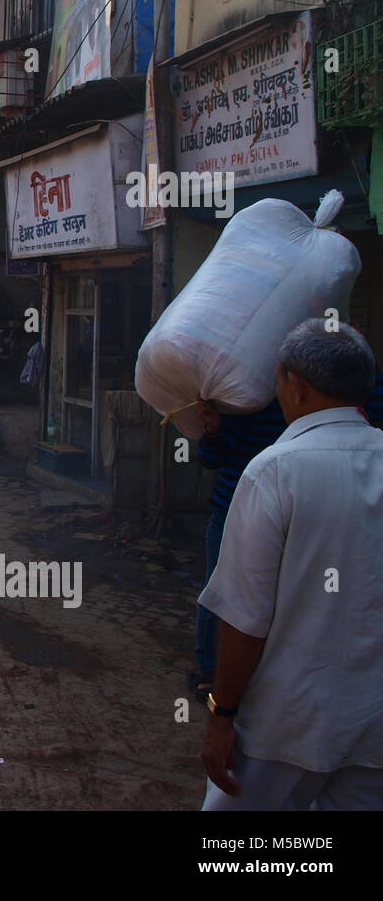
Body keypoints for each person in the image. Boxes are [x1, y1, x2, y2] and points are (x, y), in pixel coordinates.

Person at [199, 319, 383, 811]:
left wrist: (222, 713)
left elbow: (243, 618)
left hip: (286, 724)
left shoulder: (276, 471)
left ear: (294, 385)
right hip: (372, 724)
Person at [190, 396, 286, 703]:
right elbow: (211, 457)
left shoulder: (303, 399)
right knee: (217, 591)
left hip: (286, 511)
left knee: (275, 594)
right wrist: (214, 429)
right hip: (230, 509)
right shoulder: (240, 398)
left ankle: (261, 671)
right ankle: (209, 671)